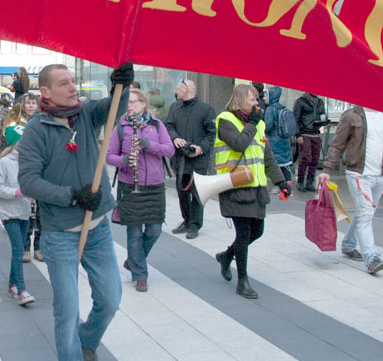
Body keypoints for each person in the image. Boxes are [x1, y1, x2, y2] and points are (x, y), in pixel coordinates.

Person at [18, 62, 133, 361]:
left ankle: (88, 340)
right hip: (59, 235)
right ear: (45, 91)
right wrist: (71, 196)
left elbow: (114, 108)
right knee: (67, 309)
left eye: (73, 81)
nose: (73, 87)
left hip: (96, 229)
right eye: (64, 83)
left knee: (110, 299)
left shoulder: (85, 113)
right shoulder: (36, 131)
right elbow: (28, 182)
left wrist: (121, 84)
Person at [213, 84, 290, 299]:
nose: (257, 104)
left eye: (257, 100)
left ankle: (227, 256)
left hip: (256, 187)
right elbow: (239, 144)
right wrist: (253, 124)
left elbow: (267, 156)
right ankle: (243, 280)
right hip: (235, 185)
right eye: (252, 100)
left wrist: (281, 182)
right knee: (244, 232)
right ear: (239, 100)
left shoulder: (260, 124)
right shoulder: (225, 120)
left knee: (257, 231)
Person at [106, 87, 175, 292]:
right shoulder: (121, 128)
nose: (129, 105)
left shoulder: (156, 125)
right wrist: (124, 160)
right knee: (134, 231)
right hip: (130, 185)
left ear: (143, 104)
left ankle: (135, 259)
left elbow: (169, 149)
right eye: (127, 102)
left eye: (133, 101)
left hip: (154, 186)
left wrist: (149, 145)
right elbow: (109, 155)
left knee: (154, 230)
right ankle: (140, 275)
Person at [318, 104, 383, 274]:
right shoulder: (351, 115)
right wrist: (327, 169)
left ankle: (348, 244)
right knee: (366, 213)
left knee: (365, 213)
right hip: (359, 174)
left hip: (382, 175)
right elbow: (337, 144)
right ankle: (371, 257)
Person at [164, 79, 216, 240]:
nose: (176, 91)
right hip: (180, 159)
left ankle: (195, 225)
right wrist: (174, 138)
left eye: (179, 88)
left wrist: (201, 148)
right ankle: (186, 220)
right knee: (181, 192)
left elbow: (211, 133)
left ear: (187, 90)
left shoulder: (206, 110)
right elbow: (169, 126)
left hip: (198, 159)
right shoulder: (174, 108)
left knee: (197, 193)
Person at [0, 122, 36, 306]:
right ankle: (22, 291)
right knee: (19, 250)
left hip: (24, 210)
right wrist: (18, 192)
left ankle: (12, 285)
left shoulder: (29, 159)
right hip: (9, 212)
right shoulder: (4, 162)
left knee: (18, 250)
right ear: (14, 142)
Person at [16, 93, 43, 261]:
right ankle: (25, 247)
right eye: (29, 103)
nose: (32, 106)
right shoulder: (17, 122)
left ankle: (39, 247)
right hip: (23, 168)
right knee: (26, 211)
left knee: (40, 214)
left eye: (34, 103)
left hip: (41, 170)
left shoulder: (42, 121)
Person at [293, 91, 328, 192]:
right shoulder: (300, 102)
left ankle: (309, 182)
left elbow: (322, 114)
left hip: (316, 133)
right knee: (306, 158)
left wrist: (324, 121)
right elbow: (295, 119)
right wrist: (298, 134)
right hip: (305, 133)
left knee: (315, 159)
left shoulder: (320, 102)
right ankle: (300, 181)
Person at [263, 87, 294, 184]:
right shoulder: (281, 108)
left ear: (271, 96)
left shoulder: (270, 109)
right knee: (285, 162)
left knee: (275, 163)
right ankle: (288, 181)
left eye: (266, 95)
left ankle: (280, 184)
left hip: (274, 140)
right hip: (284, 139)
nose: (264, 98)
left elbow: (268, 127)